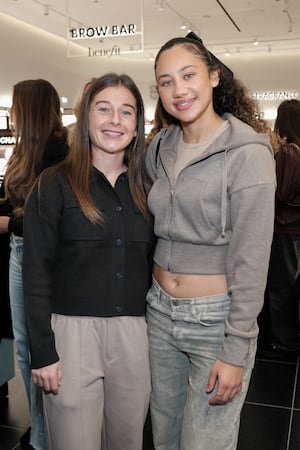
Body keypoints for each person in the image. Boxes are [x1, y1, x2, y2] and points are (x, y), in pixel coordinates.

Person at [145, 34, 276, 450]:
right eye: (166, 82)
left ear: (214, 76)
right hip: (159, 314)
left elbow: (253, 258)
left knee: (205, 442)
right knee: (163, 436)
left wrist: (237, 347)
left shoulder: (247, 152)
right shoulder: (159, 148)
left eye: (188, 75)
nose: (178, 90)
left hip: (215, 321)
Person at [22, 73, 155, 450]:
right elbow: (35, 274)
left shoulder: (148, 188)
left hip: (134, 336)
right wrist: (43, 352)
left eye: (126, 112)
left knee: (128, 440)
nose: (115, 120)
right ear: (86, 118)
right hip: (71, 336)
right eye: (104, 109)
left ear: (137, 125)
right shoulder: (53, 184)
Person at [0, 79, 69, 450]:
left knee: (41, 347)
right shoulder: (27, 152)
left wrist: (8, 222)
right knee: (26, 347)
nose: (10, 112)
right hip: (18, 251)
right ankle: (41, 429)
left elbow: (49, 219)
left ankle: (44, 436)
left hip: (38, 255)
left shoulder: (58, 156)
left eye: (15, 105)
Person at [261, 99, 300, 356]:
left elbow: (283, 192)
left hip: (285, 229)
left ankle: (284, 341)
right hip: (294, 229)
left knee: (281, 288)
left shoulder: (289, 153)